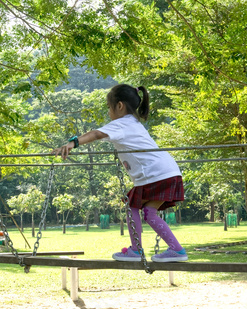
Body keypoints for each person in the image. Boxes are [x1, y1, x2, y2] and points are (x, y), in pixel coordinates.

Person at [52, 84, 187, 263]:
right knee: (148, 212)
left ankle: (137, 250)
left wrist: (72, 143)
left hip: (155, 173)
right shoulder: (133, 123)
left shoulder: (122, 124)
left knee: (133, 207)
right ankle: (176, 250)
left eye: (109, 107)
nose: (109, 112)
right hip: (166, 171)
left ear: (120, 106)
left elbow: (96, 134)